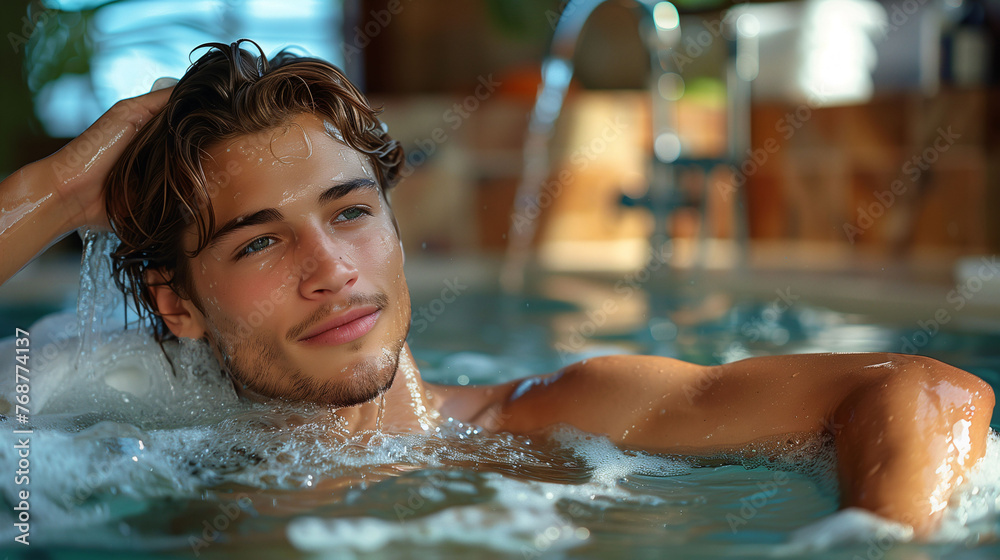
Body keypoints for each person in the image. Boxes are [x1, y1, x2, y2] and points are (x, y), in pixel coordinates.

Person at [0, 40, 993, 539]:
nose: (333, 269)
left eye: (350, 213)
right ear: (176, 303)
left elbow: (922, 390)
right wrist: (57, 186)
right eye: (260, 243)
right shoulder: (132, 467)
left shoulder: (557, 422)